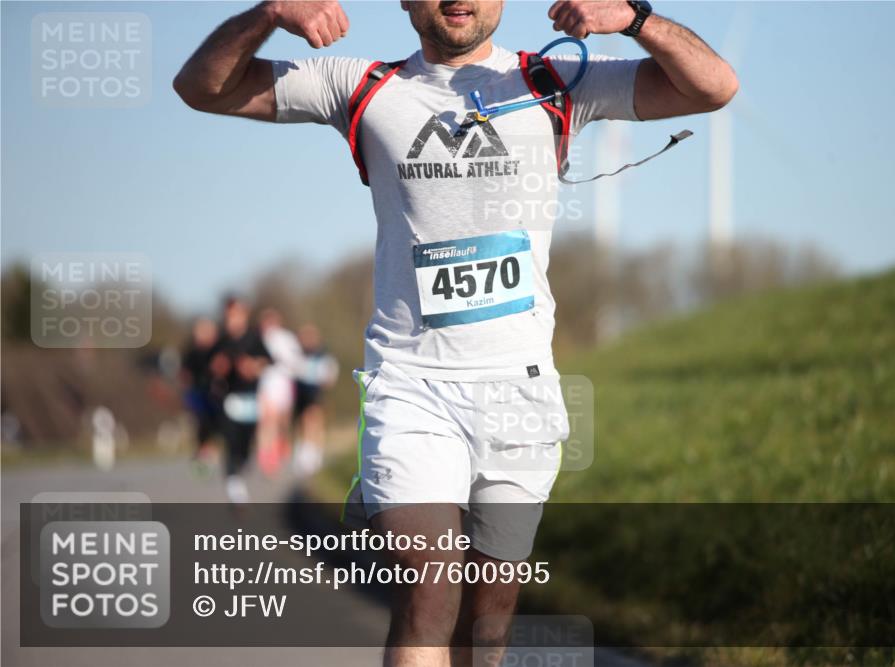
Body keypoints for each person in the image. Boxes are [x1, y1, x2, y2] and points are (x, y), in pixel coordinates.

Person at [174, 1, 737, 663]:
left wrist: (636, 19)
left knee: (487, 623)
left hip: (518, 392)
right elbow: (201, 88)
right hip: (411, 387)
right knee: (428, 593)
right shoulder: (362, 86)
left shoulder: (556, 81)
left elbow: (714, 87)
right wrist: (271, 12)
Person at [214, 296, 272, 506]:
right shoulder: (221, 341)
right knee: (231, 442)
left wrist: (254, 366)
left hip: (250, 401)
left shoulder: (254, 337)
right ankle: (234, 487)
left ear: (244, 316)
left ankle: (241, 466)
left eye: (236, 315)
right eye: (229, 316)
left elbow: (268, 361)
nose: (232, 320)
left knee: (246, 446)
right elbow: (210, 366)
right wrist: (219, 368)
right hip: (228, 399)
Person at [256, 307, 303, 476]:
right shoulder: (258, 339)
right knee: (267, 420)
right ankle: (266, 455)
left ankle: (281, 444)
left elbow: (297, 361)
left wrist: (284, 361)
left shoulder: (287, 338)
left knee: (282, 421)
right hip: (265, 384)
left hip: (283, 383)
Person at [292, 322, 339, 477]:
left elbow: (330, 375)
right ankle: (304, 452)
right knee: (302, 422)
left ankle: (314, 454)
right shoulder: (297, 353)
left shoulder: (323, 355)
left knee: (313, 420)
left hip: (315, 392)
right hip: (300, 392)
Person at [180, 317, 224, 474]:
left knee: (216, 424)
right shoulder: (191, 352)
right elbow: (184, 373)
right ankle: (202, 453)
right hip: (198, 394)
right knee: (202, 423)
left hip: (215, 394)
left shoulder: (219, 350)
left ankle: (209, 450)